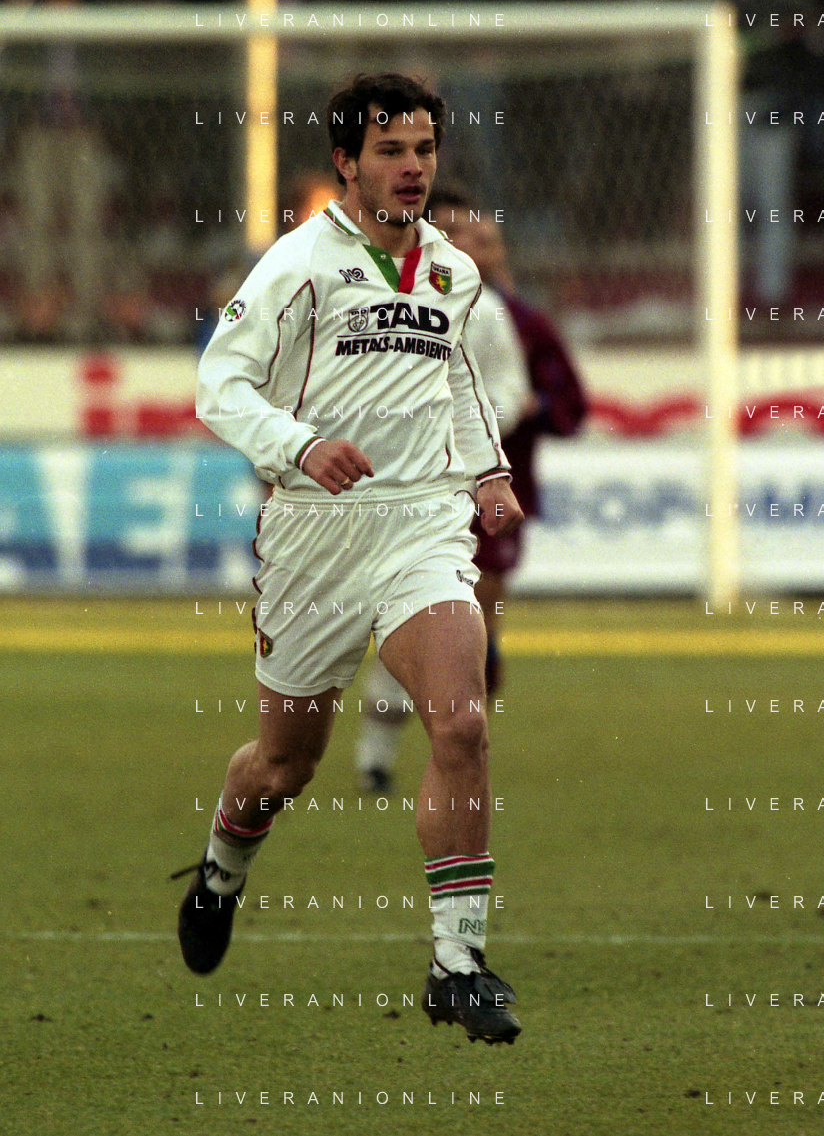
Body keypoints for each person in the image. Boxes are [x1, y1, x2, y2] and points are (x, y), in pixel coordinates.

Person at [176, 73, 523, 1045]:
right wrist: (299, 445)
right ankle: (221, 870)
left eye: (423, 149)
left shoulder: (451, 270)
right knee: (283, 765)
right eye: (390, 151)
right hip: (314, 535)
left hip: (421, 525)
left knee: (461, 723)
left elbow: (460, 384)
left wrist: (488, 472)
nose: (412, 168)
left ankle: (457, 962)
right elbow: (219, 384)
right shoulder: (298, 264)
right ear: (346, 162)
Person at [355, 185, 586, 792]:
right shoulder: (369, 298)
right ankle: (379, 753)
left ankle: (450, 747)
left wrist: (486, 432)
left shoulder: (502, 317)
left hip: (485, 494)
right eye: (455, 232)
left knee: (468, 629)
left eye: (481, 236)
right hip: (400, 494)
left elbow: (537, 398)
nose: (470, 245)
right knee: (412, 619)